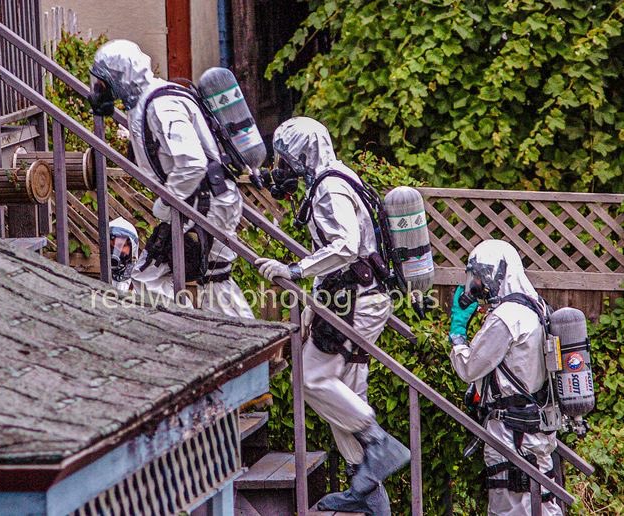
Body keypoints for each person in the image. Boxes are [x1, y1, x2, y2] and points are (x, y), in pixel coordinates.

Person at [255, 117, 410, 515]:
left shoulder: (328, 187)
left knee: (309, 377)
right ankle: (370, 496)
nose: (284, 168)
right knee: (345, 396)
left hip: (355, 298)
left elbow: (346, 244)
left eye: (287, 159)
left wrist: (294, 271)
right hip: (357, 297)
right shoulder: (338, 177)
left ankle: (379, 444)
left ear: (303, 154)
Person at [87, 40, 253, 318]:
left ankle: (193, 330)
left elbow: (191, 162)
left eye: (104, 83)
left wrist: (167, 203)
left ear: (120, 78)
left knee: (150, 277)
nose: (100, 90)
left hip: (204, 203)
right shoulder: (150, 101)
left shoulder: (161, 107)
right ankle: (235, 340)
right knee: (214, 280)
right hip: (210, 199)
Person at [448, 240, 562, 516]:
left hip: (511, 432)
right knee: (541, 504)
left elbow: (469, 368)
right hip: (533, 426)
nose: (476, 284)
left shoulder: (506, 318)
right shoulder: (536, 308)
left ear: (496, 274)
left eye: (479, 276)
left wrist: (457, 333)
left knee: (511, 505)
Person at [109, 217, 139, 293]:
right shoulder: (99, 277)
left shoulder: (139, 284)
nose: (116, 251)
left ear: (132, 247)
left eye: (121, 246)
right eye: (112, 246)